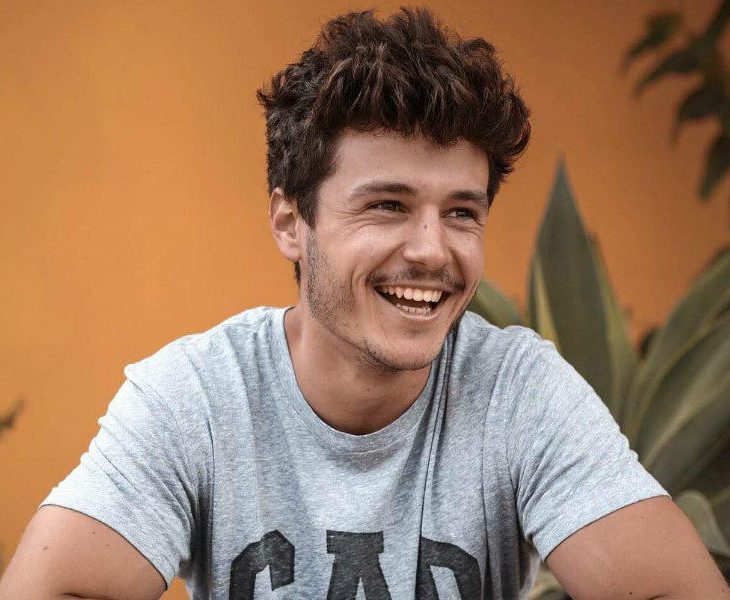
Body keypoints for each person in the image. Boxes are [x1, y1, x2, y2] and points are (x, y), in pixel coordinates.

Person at [1, 8, 728, 600]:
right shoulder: (198, 398)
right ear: (291, 222)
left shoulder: (517, 393)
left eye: (462, 213)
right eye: (388, 205)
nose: (433, 251)